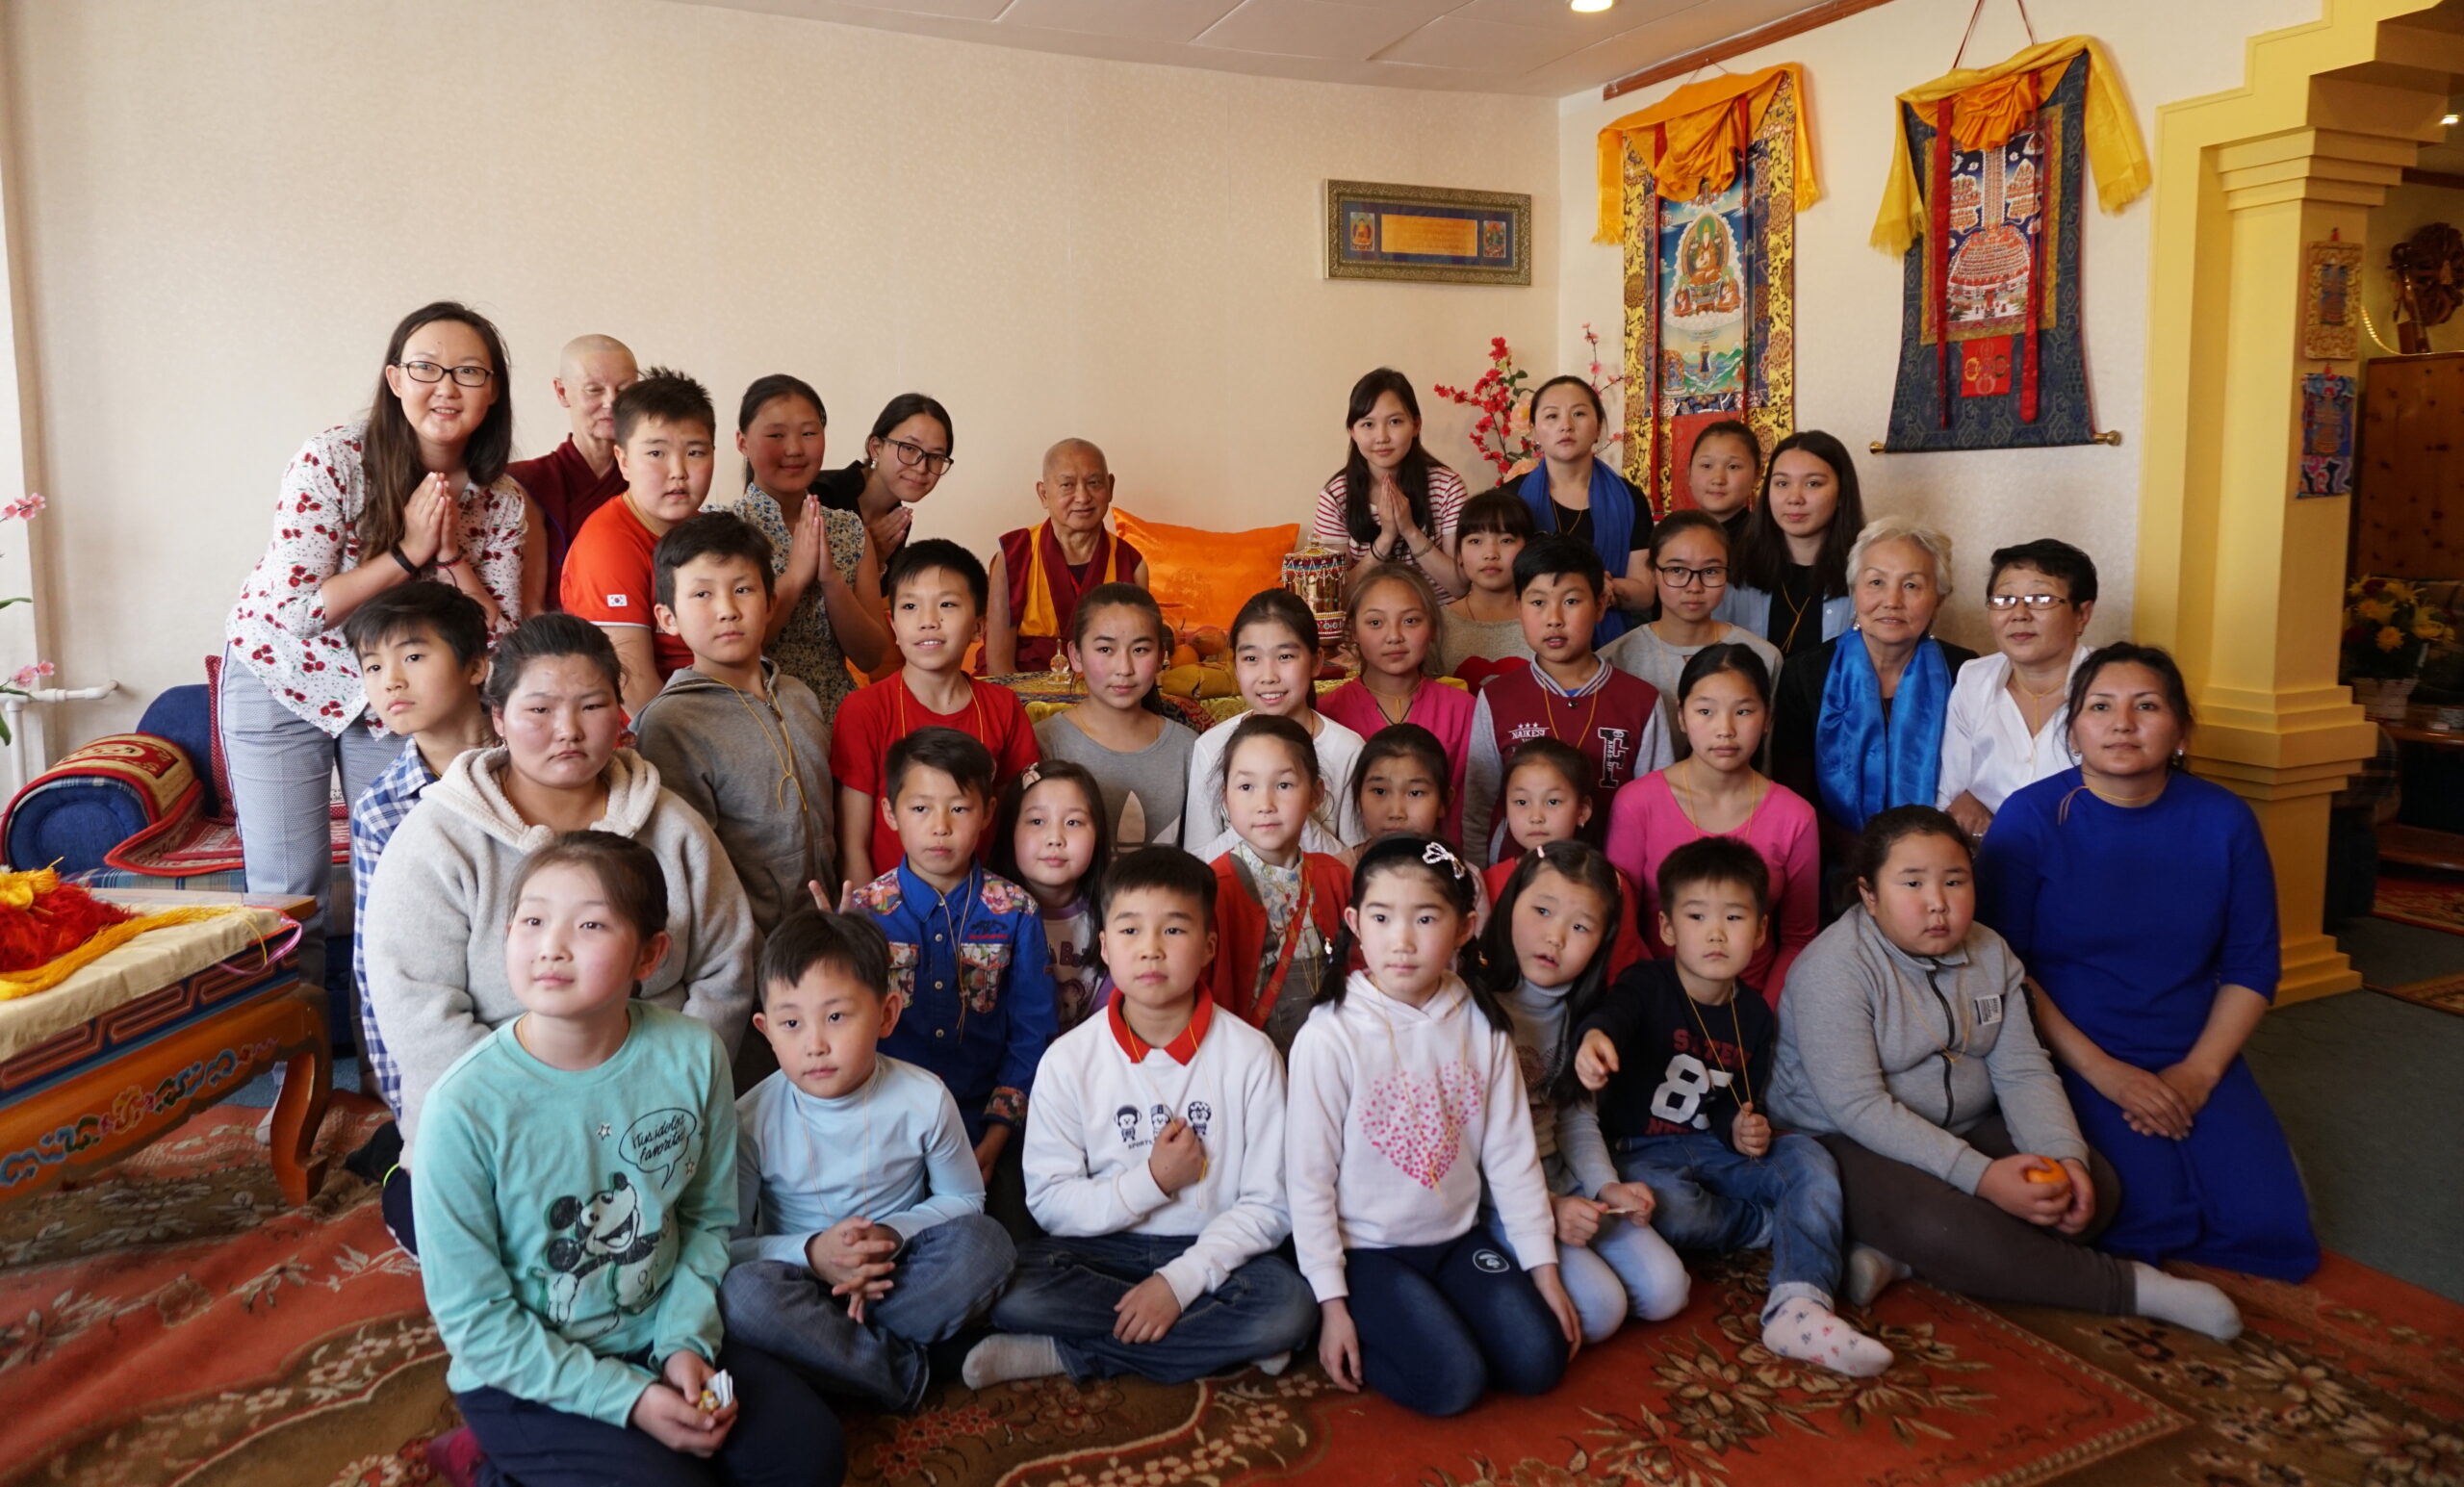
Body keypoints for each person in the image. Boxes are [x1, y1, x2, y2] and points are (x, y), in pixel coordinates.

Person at [412, 833, 840, 1487]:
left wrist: (683, 1345)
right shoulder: (462, 1108)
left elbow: (707, 1218)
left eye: (589, 923)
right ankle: (489, 1461)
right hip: (525, 1377)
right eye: (531, 919)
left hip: (657, 1334)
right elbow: (478, 1323)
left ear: (651, 952)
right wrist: (631, 1401)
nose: (552, 944)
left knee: (810, 1457)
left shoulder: (694, 1055)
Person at [1768, 807, 2245, 1338]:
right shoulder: (1833, 971)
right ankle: (2131, 1288)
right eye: (1911, 883)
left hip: (1961, 1124)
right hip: (1840, 1140)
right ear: (1869, 895)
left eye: (1955, 881)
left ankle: (1902, 1254)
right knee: (1943, 1225)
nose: (1937, 903)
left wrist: (2064, 1153)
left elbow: (2022, 1070)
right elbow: (1859, 1108)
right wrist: (1984, 1177)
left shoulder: (1991, 952)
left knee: (2092, 1189)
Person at [363, 616, 757, 1176]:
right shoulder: (438, 836)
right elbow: (416, 1008)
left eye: (592, 706)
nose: (568, 730)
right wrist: (539, 1111)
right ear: (498, 718)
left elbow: (727, 970)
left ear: (620, 713)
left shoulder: (674, 827)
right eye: (540, 710)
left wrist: (663, 1093)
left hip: (654, 1112)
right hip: (496, 1118)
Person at [1977, 645, 2319, 1282]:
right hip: (2074, 1044)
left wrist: (2197, 1073)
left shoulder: (2225, 820)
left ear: (2181, 728)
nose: (2122, 723)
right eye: (2100, 706)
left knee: (2270, 1232)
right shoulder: (2030, 817)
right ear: (2073, 726)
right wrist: (2105, 1073)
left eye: (2148, 706)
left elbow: (2251, 966)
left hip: (2192, 1043)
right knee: (2144, 1218)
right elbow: (2004, 970)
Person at [221, 299, 526, 995]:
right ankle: (295, 1085)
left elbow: (498, 643)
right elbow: (299, 609)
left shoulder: (499, 500)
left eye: (469, 371)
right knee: (288, 896)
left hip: (390, 690)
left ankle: (385, 1087)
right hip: (282, 675)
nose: (445, 386)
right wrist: (408, 552)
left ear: (494, 391)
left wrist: (452, 559)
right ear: (394, 379)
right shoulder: (332, 460)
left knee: (398, 884)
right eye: (426, 367)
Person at [966, 848, 1317, 1387]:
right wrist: (1152, 1181)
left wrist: (1177, 1284)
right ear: (1104, 947)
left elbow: (1269, 1204)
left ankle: (1073, 1355)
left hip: (1211, 1249)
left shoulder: (1251, 1056)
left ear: (1208, 946)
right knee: (1010, 1290)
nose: (1151, 950)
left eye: (1174, 931)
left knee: (1289, 1307)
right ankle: (1222, 1342)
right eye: (1130, 931)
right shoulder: (1068, 1059)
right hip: (1101, 1250)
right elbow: (1051, 1203)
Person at [1285, 834, 1579, 1418]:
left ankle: (1437, 1313)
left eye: (1425, 918)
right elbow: (1309, 1178)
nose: (1402, 940)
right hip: (1369, 1252)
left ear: (1465, 927)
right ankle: (1400, 1322)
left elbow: (1512, 1159)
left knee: (1539, 1361)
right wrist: (1332, 1303)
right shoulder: (1330, 1033)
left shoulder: (1480, 1020)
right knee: (1454, 1383)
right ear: (1354, 922)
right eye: (1381, 917)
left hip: (1456, 1239)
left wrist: (1543, 1273)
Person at [1572, 839, 1890, 1376]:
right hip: (1640, 1152)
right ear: (1669, 929)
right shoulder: (1648, 984)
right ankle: (1770, 1228)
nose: (1716, 932)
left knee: (1807, 1160)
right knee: (1667, 1209)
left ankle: (1800, 1303)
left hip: (1710, 1150)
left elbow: (1732, 1099)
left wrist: (1741, 1128)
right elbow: (1614, 1015)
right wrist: (1594, 1038)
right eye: (1697, 916)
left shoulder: (1755, 1016)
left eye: (1734, 916)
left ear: (1761, 931)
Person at [719, 910, 1017, 1414]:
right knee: (740, 1297)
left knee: (989, 1245)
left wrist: (889, 1235)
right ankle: (915, 1370)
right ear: (765, 1030)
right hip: (802, 1286)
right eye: (791, 1023)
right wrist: (813, 1253)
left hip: (899, 1279)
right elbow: (725, 1247)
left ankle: (839, 1362)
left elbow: (965, 1199)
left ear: (887, 1014)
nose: (814, 1044)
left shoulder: (924, 1097)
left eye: (836, 1017)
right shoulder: (749, 1120)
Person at [1482, 842, 1691, 1344]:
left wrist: (1604, 1188)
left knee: (1668, 1291)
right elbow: (1460, 1149)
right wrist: (1546, 1210)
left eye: (1580, 927)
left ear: (1601, 943)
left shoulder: (1585, 1013)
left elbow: (1576, 1118)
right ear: (1510, 905)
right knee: (1601, 1310)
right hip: (1494, 1199)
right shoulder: (1471, 1003)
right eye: (1542, 910)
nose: (1554, 937)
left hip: (1563, 1183)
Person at [846, 728, 1058, 1211]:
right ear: (889, 814)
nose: (940, 826)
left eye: (959, 808)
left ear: (986, 813)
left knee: (1014, 1234)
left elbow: (1032, 1031)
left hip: (987, 1121)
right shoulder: (865, 913)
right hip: (882, 1128)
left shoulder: (1015, 911)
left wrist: (997, 1135)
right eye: (920, 808)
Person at [633, 513, 835, 940]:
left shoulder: (799, 696)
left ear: (770, 602)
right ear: (668, 618)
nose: (727, 610)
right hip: (748, 951)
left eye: (743, 589)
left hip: (828, 929)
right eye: (702, 594)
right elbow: (691, 867)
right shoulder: (671, 723)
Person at [343, 582, 494, 1115]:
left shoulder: (539, 759)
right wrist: (407, 1103)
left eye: (412, 655)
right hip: (449, 1029)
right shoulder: (381, 809)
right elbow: (376, 961)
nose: (392, 682)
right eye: (373, 667)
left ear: (476, 666)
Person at [1771, 516, 1977, 900]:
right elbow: (1793, 793)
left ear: (1940, 598)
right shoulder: (1806, 672)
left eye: (1912, 585)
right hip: (1834, 868)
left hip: (1939, 871)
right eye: (1876, 582)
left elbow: (1979, 783)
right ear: (1855, 590)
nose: (1892, 601)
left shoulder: (1966, 672)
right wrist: (1870, 861)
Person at [1606, 645, 1817, 1000]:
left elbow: (1799, 938)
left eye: (1744, 711)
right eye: (1705, 711)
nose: (1725, 729)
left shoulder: (1795, 816)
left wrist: (1763, 1017)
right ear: (1682, 717)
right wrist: (1653, 1003)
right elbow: (1621, 924)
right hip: (1655, 1000)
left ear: (1767, 719)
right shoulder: (1636, 803)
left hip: (1752, 1005)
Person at [831, 539, 1040, 889]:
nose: (928, 621)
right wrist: (868, 925)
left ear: (978, 627)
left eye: (946, 604)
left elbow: (1012, 826)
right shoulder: (863, 709)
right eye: (910, 606)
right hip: (890, 914)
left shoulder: (1003, 706)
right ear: (893, 625)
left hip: (981, 908)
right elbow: (853, 843)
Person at [1461, 536, 1671, 864]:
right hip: (1516, 881)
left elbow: (1657, 811)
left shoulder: (1641, 701)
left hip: (1609, 881)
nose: (1554, 618)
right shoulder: (1497, 697)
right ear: (1518, 607)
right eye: (1538, 602)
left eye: (1571, 601)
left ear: (1600, 605)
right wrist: (1482, 883)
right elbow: (1479, 808)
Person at [706, 375, 890, 715]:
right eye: (776, 435)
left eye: (808, 433)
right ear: (742, 442)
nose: (794, 449)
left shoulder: (848, 528)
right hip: (753, 715)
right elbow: (729, 649)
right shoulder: (720, 528)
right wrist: (794, 577)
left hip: (838, 718)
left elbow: (870, 656)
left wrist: (831, 579)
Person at [560, 369, 720, 713]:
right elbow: (632, 685)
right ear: (623, 460)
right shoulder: (609, 543)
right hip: (650, 737)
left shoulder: (704, 530)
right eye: (656, 453)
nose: (678, 470)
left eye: (695, 452)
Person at [1204, 715, 1351, 1054]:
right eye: (1246, 787)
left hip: (1327, 1061)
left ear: (1315, 794)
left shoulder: (1335, 877)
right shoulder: (1212, 888)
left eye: (1283, 785)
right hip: (1246, 1065)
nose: (1265, 804)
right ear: (1225, 799)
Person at [1182, 590, 1366, 857]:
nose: (1268, 676)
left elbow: (1355, 864)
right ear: (1234, 666)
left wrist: (1294, 816)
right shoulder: (1211, 747)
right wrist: (1252, 823)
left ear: (1316, 663)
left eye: (1285, 657)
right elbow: (1197, 862)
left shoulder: (1346, 749)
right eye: (1251, 659)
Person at [1938, 539, 2098, 839]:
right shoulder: (1974, 679)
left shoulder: (2111, 687)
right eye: (2004, 600)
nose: (2019, 613)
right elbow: (1952, 799)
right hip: (1987, 863)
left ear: (2082, 614)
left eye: (2041, 598)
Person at [1033, 583, 1197, 851]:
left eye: (1140, 650)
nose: (1124, 668)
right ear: (1075, 656)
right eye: (1105, 650)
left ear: (1161, 657)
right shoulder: (1045, 743)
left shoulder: (1188, 748)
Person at [1599, 511, 1782, 753]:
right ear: (1653, 571)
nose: (1694, 587)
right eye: (1677, 570)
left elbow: (1766, 759)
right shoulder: (1614, 660)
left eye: (1710, 571)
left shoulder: (1763, 657)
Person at [1319, 565, 1474, 845]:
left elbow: (1469, 811)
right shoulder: (1328, 713)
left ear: (1433, 628)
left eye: (1411, 621)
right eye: (1376, 623)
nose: (1394, 636)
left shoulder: (1463, 710)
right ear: (1352, 630)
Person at [1480, 739, 1647, 982]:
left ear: (1582, 811)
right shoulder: (1489, 881)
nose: (1536, 816)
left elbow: (1621, 971)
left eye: (1553, 802)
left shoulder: (1611, 883)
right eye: (1521, 802)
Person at [982, 439, 1150, 677]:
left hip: (1108, 697)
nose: (1082, 497)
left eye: (1093, 483)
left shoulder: (1131, 564)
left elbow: (1135, 655)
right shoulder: (1014, 556)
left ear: (1110, 487)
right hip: (1024, 699)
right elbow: (999, 665)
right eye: (1067, 485)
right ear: (1043, 493)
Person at [506, 334, 639, 611]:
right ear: (562, 392)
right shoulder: (524, 483)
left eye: (624, 389)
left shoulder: (648, 482)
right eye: (594, 390)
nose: (611, 402)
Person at [1515, 376, 1653, 641]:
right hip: (1530, 643)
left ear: (1598, 426)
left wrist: (1594, 591)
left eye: (1578, 413)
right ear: (1533, 430)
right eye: (1552, 416)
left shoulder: (1629, 498)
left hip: (1612, 644)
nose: (1566, 425)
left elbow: (1645, 594)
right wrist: (1588, 587)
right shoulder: (1514, 499)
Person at [1311, 369, 1469, 599]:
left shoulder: (1447, 486)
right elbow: (1334, 598)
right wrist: (1386, 538)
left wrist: (1410, 531)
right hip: (1367, 625)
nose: (1382, 437)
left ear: (1416, 426)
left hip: (1438, 620)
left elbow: (1460, 586)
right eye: (1368, 424)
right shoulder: (1335, 497)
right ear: (1352, 431)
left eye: (1395, 421)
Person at [992, 761, 1114, 1033]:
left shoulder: (1115, 917)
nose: (1055, 838)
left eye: (1073, 822)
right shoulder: (984, 916)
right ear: (1010, 830)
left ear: (1098, 833)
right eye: (1037, 821)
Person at [1720, 430, 1862, 658]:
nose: (1794, 498)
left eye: (1813, 484)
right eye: (1782, 483)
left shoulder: (1866, 575)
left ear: (1842, 494)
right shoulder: (1737, 569)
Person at [811, 393, 953, 588]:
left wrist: (876, 563)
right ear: (876, 447)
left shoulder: (897, 520)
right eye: (909, 448)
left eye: (936, 457)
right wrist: (865, 556)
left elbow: (876, 604)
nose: (922, 468)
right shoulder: (818, 494)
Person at [1440, 491, 1537, 687]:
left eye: (1506, 540)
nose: (1490, 553)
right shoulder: (1438, 623)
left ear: (1529, 548)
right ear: (1458, 553)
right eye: (1475, 541)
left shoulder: (1546, 618)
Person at [1349, 724, 1451, 843]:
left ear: (1444, 801)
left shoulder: (1455, 863)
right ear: (1357, 796)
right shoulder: (1335, 862)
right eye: (1380, 791)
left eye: (1415, 793)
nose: (1396, 813)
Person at [1683, 420, 1760, 551]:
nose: (1718, 479)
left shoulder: (1766, 540)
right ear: (1689, 473)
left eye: (1733, 466)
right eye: (1706, 465)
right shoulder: (1674, 536)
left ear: (1756, 476)